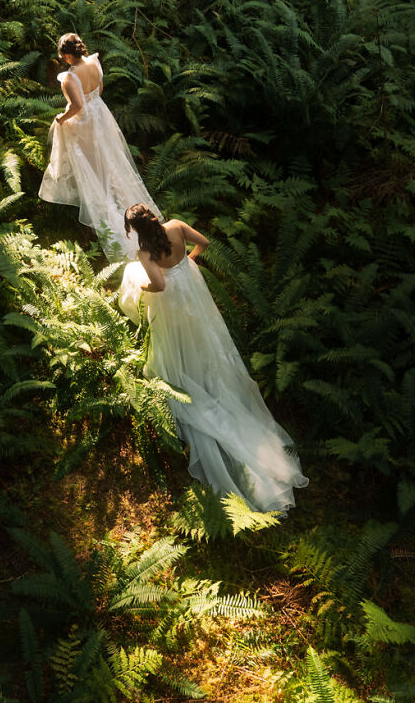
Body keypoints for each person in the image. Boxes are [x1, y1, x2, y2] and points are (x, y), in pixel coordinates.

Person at [119, 204, 308, 512]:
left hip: (172, 299)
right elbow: (204, 243)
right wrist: (188, 262)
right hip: (192, 288)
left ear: (135, 230)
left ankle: (189, 377)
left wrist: (142, 284)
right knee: (205, 333)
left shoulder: (146, 253)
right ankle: (208, 372)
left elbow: (159, 284)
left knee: (179, 339)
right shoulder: (176, 226)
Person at [39, 33, 161, 261]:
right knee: (109, 160)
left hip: (84, 123)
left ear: (65, 54)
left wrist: (61, 119)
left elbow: (76, 105)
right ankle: (134, 214)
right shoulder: (94, 63)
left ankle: (106, 219)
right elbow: (99, 90)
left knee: (91, 169)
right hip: (101, 116)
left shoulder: (69, 77)